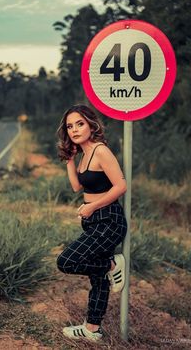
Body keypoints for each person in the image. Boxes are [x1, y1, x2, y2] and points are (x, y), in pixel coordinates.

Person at [56, 104, 127, 343]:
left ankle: (111, 265)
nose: (74, 130)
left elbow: (121, 186)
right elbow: (78, 187)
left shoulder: (100, 151)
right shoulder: (85, 154)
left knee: (66, 261)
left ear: (90, 124)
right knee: (98, 281)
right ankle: (92, 330)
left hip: (109, 220)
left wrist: (92, 206)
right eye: (69, 126)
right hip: (94, 220)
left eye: (79, 124)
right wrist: (69, 159)